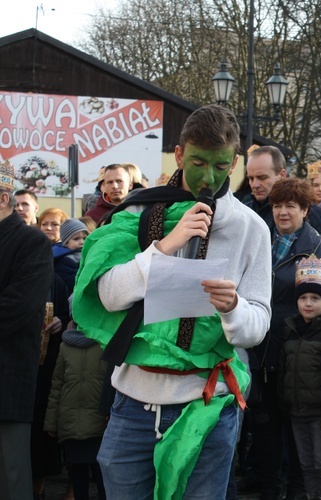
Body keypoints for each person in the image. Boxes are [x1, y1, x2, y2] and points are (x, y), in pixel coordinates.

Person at [72, 104, 273, 498]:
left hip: (207, 404)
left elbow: (259, 325)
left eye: (220, 166)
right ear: (179, 155)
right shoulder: (138, 211)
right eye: (198, 162)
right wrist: (162, 248)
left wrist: (234, 307)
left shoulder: (252, 228)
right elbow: (108, 297)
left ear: (234, 163)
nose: (209, 176)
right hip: (132, 403)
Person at [244, 177, 321, 500]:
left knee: (300, 435)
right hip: (260, 351)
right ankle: (271, 489)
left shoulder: (319, 251)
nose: (282, 212)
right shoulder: (259, 242)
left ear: (304, 209)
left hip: (302, 357)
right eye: (276, 206)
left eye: (290, 206)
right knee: (265, 429)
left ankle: (299, 492)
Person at [0, 160, 54, 500]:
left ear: (2, 198)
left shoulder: (31, 242)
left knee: (11, 479)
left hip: (6, 384)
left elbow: (16, 308)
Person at [278, 256, 321, 500]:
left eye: (315, 298)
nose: (308, 303)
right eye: (303, 298)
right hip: (297, 411)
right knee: (305, 463)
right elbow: (285, 368)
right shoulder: (290, 329)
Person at [44, 321, 108, 500]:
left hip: (92, 424)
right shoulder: (66, 348)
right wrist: (51, 421)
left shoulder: (104, 344)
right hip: (91, 422)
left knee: (95, 477)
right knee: (83, 477)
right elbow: (57, 384)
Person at [244, 146, 321, 240]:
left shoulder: (311, 212)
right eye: (251, 178)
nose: (255, 185)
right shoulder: (243, 212)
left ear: (282, 175)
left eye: (262, 177)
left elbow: (320, 251)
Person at [52, 218, 90, 294]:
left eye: (85, 238)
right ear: (66, 243)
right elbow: (74, 283)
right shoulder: (64, 261)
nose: (82, 242)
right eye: (76, 239)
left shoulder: (89, 254)